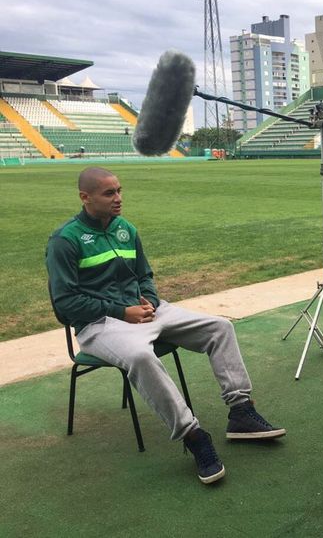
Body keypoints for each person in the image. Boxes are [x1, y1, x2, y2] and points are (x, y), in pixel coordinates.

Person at [46, 167, 286, 485]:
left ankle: (240, 411)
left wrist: (150, 300)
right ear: (85, 197)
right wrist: (121, 311)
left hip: (148, 312)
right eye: (109, 193)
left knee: (220, 327)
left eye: (119, 190)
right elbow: (65, 305)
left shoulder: (125, 229)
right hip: (100, 325)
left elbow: (144, 274)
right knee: (142, 357)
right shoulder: (65, 241)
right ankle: (194, 436)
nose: (118, 198)